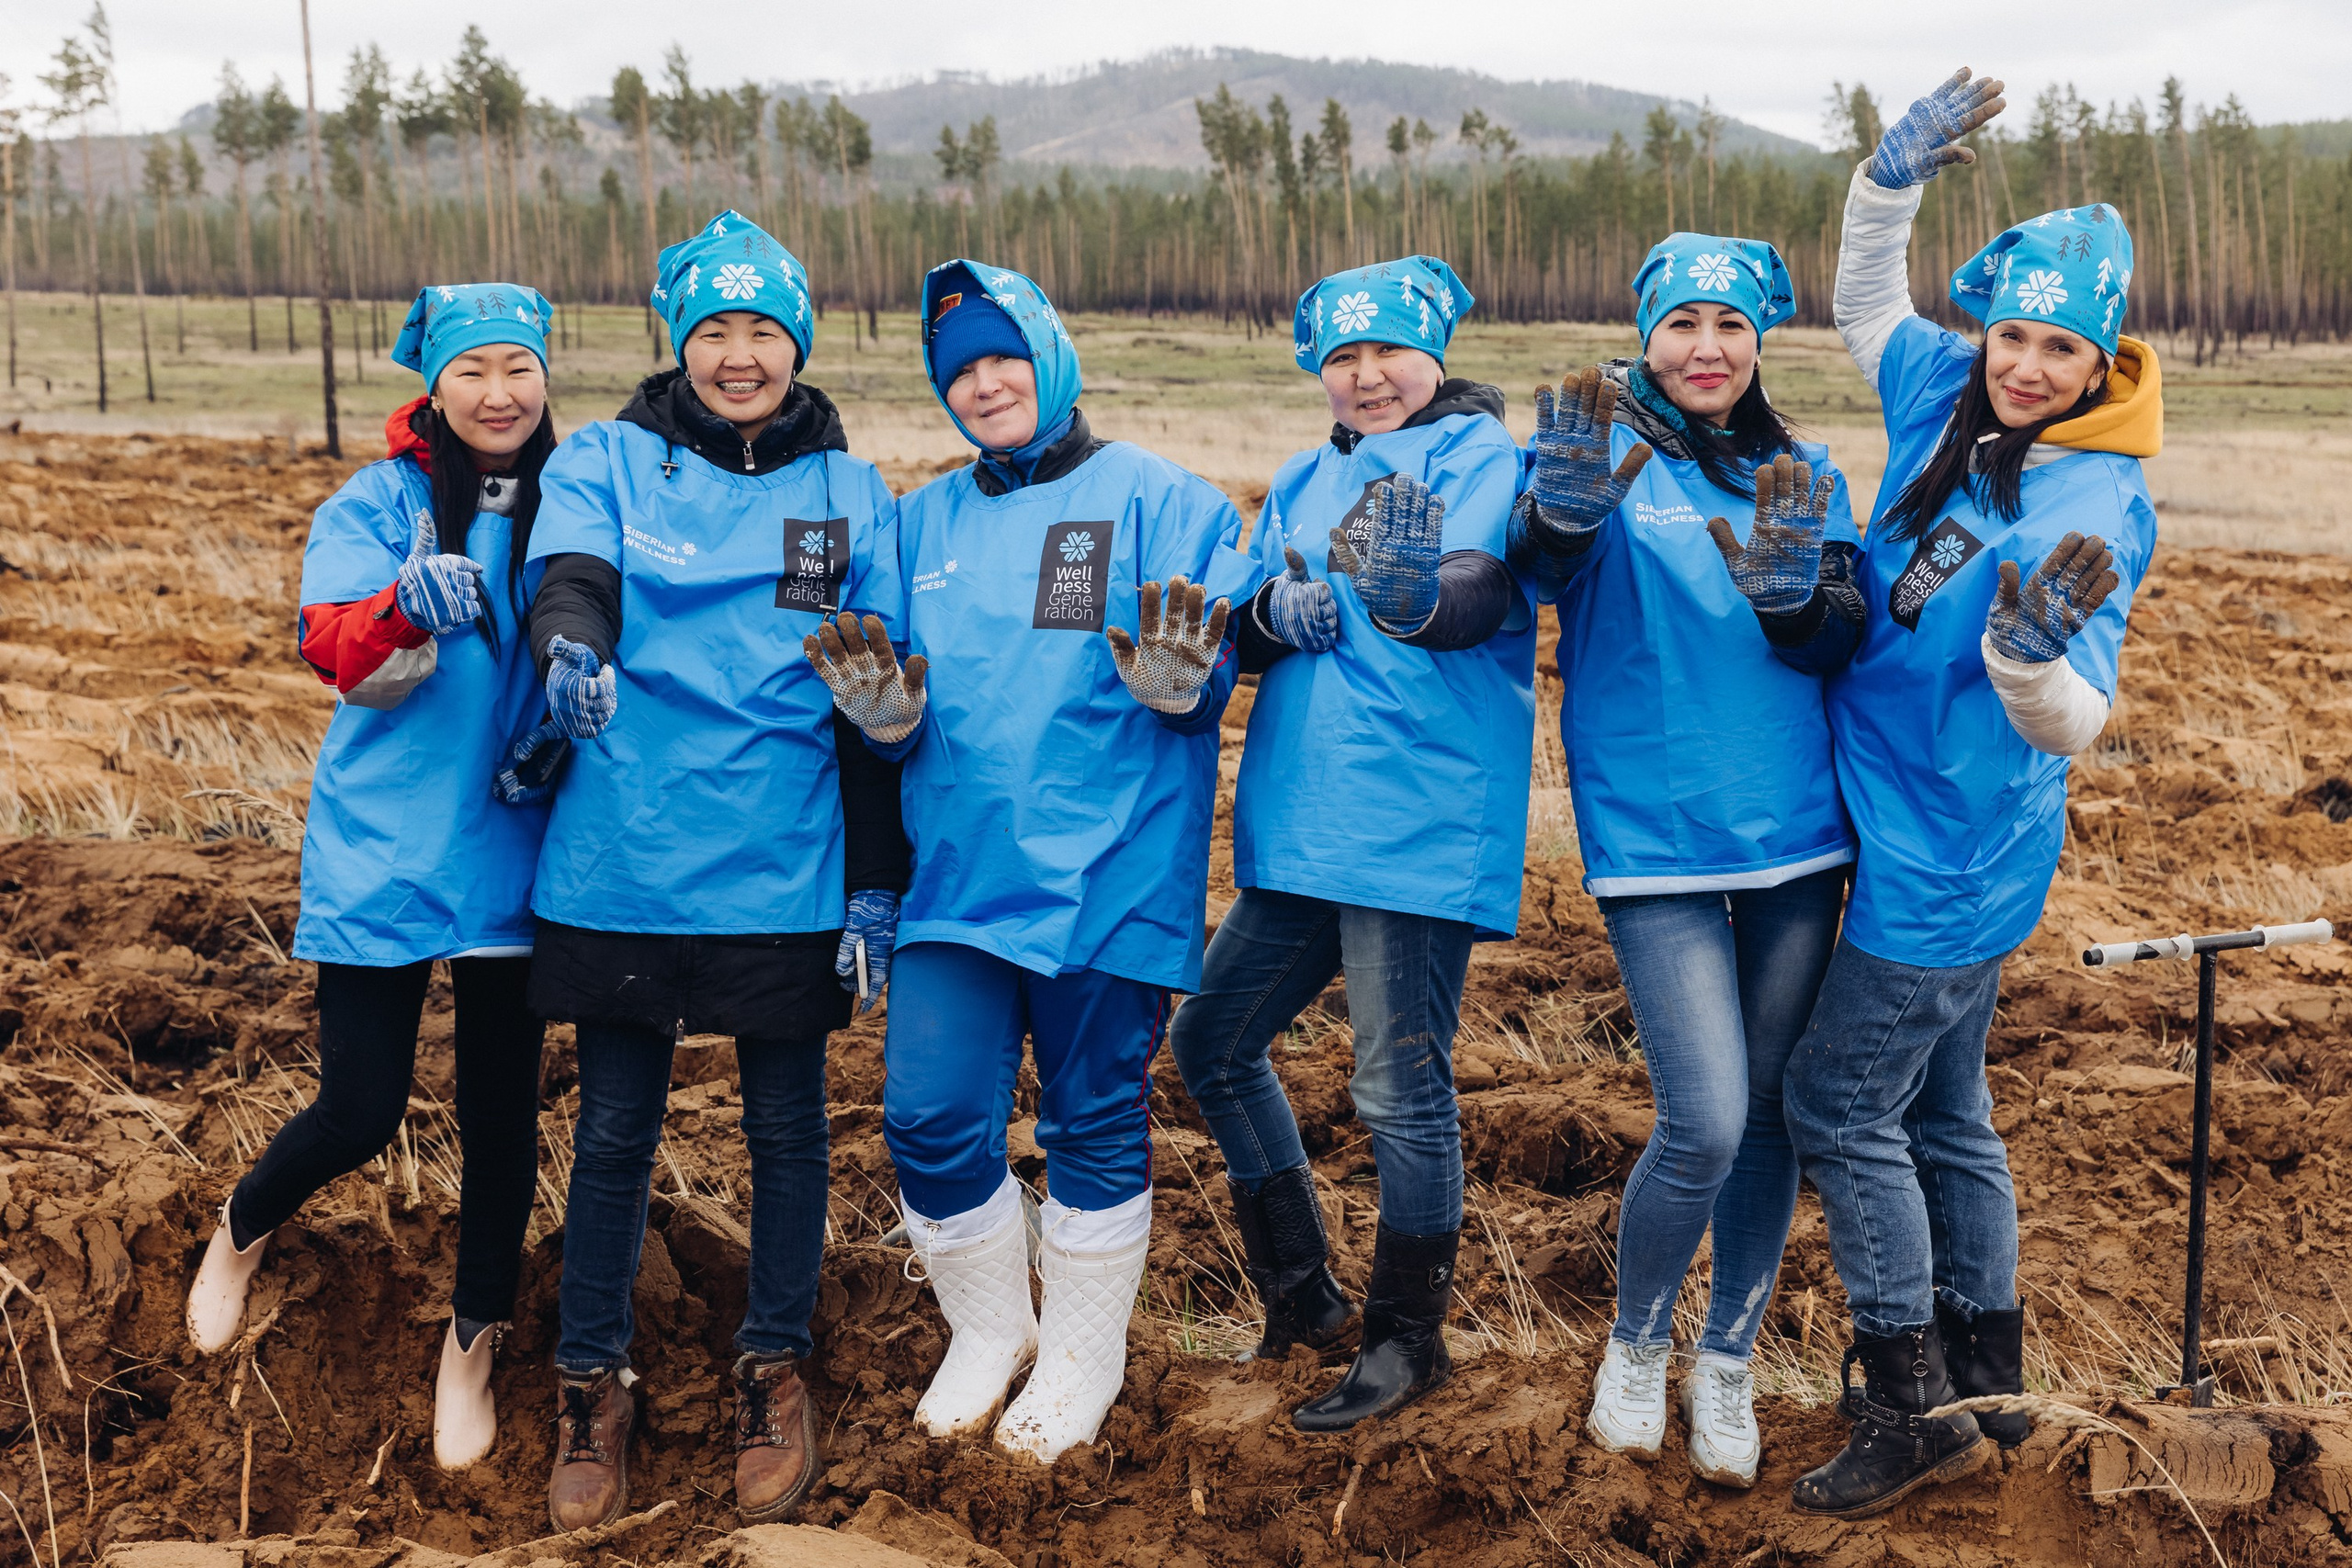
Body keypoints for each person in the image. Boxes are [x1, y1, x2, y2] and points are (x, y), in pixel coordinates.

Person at [1785, 67, 2159, 1517]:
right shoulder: (1947, 390)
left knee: (1836, 1100)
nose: (2027, 366)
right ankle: (1987, 1379)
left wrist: (2023, 661)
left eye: (2062, 347)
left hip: (1951, 853)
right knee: (1947, 1106)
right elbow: (1865, 302)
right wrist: (1885, 182)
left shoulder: (2092, 499)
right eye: (2014, 333)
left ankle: (1909, 1401)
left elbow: (2080, 717)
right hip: (1899, 818)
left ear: (2101, 360)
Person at [813, 259, 1259, 1465]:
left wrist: (1184, 689)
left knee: (1092, 1119)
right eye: (959, 370)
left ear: (1052, 357)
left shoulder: (1165, 500)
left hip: (1109, 878)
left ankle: (1080, 1352)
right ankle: (991, 1324)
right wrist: (886, 723)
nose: (985, 384)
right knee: (928, 1114)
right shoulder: (917, 524)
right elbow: (879, 681)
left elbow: (1207, 667)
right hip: (956, 881)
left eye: (1005, 357)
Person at [521, 211, 908, 1531]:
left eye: (764, 331)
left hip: (783, 860)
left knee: (787, 1130)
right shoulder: (608, 459)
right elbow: (573, 579)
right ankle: (590, 1383)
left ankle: (772, 1366)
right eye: (715, 330)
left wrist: (874, 880)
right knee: (615, 1133)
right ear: (678, 339)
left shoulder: (851, 494)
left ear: (799, 342)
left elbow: (871, 693)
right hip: (625, 852)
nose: (740, 356)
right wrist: (571, 649)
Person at [183, 283, 559, 1474]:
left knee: (501, 1124)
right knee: (362, 1107)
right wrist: (400, 606)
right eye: (472, 370)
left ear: (546, 377)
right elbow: (328, 643)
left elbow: (612, 625)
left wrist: (570, 719)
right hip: (388, 839)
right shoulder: (378, 500)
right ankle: (242, 1225)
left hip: (517, 839)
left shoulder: (575, 495)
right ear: (435, 385)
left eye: (519, 367)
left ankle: (470, 1345)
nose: (498, 392)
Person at [1508, 234, 1862, 1487]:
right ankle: (1636, 1339)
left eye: (1731, 325)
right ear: (1646, 334)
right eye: (1682, 323)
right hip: (1652, 834)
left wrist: (1799, 603)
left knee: (1767, 1117)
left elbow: (1839, 641)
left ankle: (1729, 1357)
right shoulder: (1599, 448)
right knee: (1703, 1117)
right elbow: (1534, 568)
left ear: (1759, 342)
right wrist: (1555, 519)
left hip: (1795, 836)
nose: (1706, 348)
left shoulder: (1800, 472)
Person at [1166, 256, 1533, 1432]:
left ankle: (1405, 1342)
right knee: (1212, 1040)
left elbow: (1476, 589)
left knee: (1397, 1086)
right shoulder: (1299, 475)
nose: (1368, 376)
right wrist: (1270, 615)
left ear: (1435, 354)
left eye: (1390, 351)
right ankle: (1303, 1296)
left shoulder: (1481, 460)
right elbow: (1242, 616)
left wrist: (1417, 592)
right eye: (1342, 356)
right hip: (1304, 818)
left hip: (1412, 818)